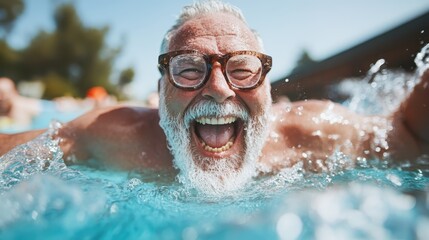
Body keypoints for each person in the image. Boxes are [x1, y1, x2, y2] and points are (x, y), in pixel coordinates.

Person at [0, 0, 428, 194]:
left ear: (267, 87)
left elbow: (408, 138)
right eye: (189, 69)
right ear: (160, 89)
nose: (220, 89)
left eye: (242, 70)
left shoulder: (313, 134)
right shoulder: (115, 137)